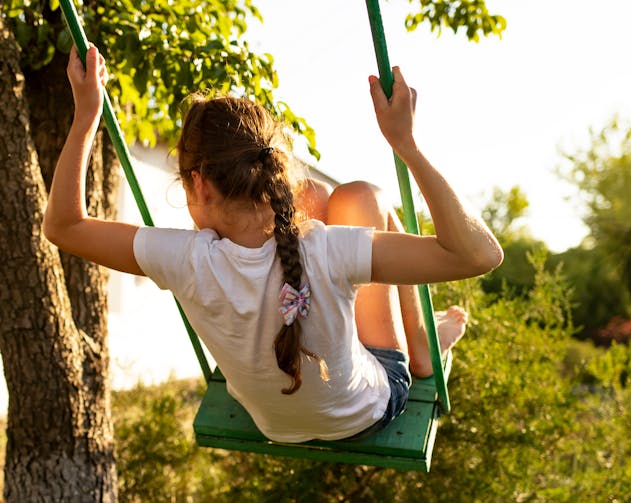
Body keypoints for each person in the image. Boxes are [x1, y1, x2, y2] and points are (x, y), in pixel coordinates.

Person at [43, 45, 504, 443]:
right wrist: (407, 145)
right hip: (367, 410)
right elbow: (479, 254)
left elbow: (63, 226)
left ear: (199, 185)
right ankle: (420, 345)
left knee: (325, 203)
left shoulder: (182, 259)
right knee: (360, 197)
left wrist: (87, 116)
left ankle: (395, 334)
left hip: (275, 424)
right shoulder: (328, 249)